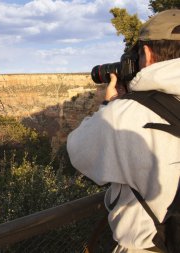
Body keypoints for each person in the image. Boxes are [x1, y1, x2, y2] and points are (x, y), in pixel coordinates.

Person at [67, 9, 180, 253]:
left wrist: (111, 105)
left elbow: (78, 151)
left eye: (138, 54)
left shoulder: (125, 115)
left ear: (148, 54)